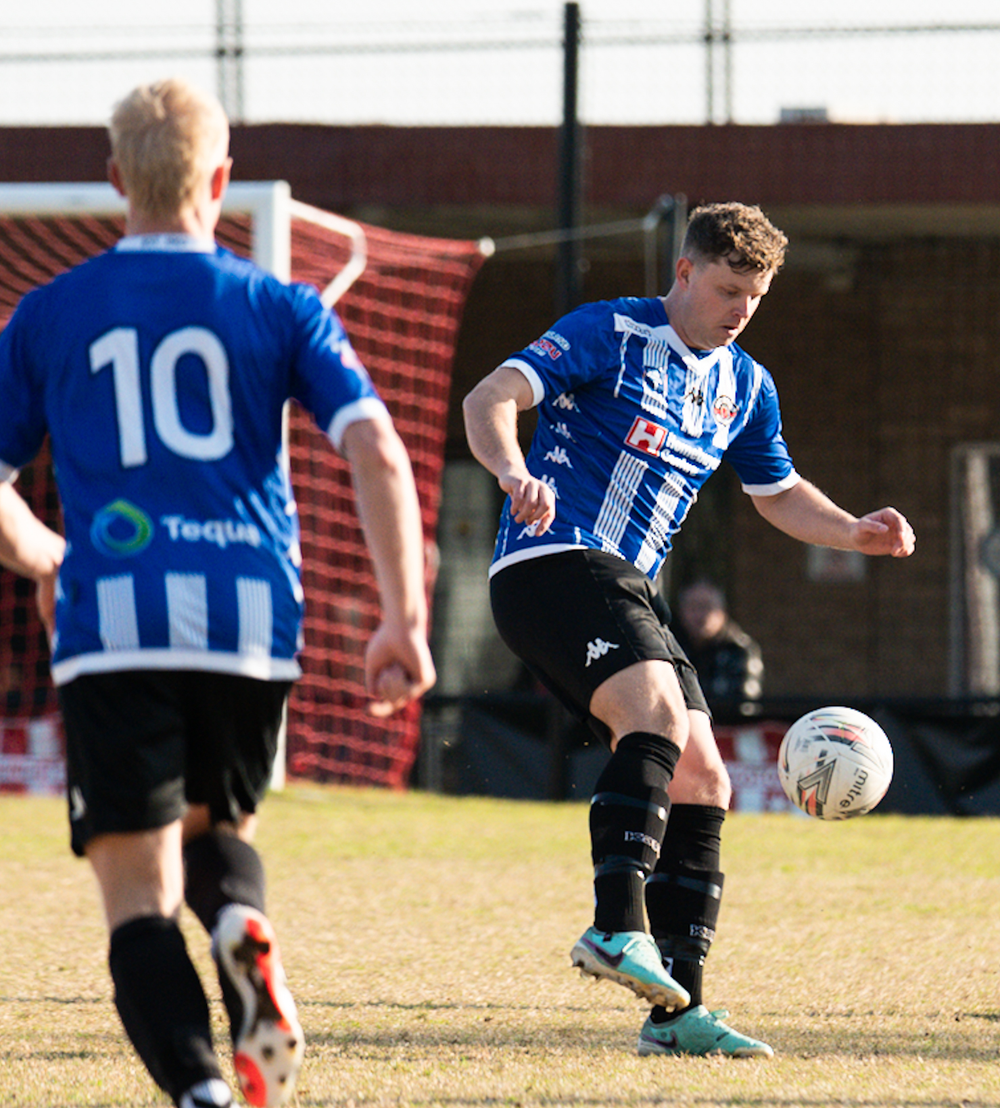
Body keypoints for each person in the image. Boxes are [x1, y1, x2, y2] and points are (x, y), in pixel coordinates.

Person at [0, 78, 435, 1108]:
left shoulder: (48, 312)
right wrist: (403, 617)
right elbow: (376, 447)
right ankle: (241, 921)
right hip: (249, 620)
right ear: (221, 180)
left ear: (116, 180)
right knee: (212, 833)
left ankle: (200, 1088)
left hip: (115, 621)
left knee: (138, 897)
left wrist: (49, 558)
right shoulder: (280, 305)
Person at [462, 201, 914, 1059]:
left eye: (755, 297)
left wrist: (853, 531)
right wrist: (514, 472)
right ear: (684, 272)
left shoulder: (745, 385)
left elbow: (778, 492)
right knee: (659, 720)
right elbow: (491, 398)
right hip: (553, 560)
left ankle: (677, 1016)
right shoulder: (609, 332)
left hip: (628, 588)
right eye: (727, 290)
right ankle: (614, 926)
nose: (740, 310)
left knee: (706, 779)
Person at [671, 579, 764, 707]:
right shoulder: (672, 648)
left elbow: (746, 705)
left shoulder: (740, 650)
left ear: (722, 612)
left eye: (706, 607)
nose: (700, 615)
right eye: (693, 607)